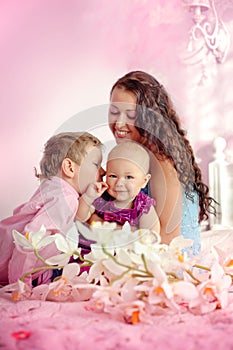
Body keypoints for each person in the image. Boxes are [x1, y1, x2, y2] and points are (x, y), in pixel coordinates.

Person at [108, 70, 216, 254]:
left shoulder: (161, 161)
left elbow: (167, 240)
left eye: (131, 115)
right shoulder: (136, 156)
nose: (119, 124)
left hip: (171, 268)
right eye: (114, 112)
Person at [0, 132, 107, 286]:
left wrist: (88, 197)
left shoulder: (56, 189)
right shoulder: (65, 198)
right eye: (96, 164)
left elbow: (50, 244)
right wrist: (21, 284)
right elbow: (30, 240)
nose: (102, 171)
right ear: (69, 167)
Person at [93, 141, 160, 234]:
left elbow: (151, 237)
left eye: (129, 177)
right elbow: (85, 221)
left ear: (144, 181)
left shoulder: (143, 207)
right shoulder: (101, 199)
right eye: (113, 176)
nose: (119, 183)